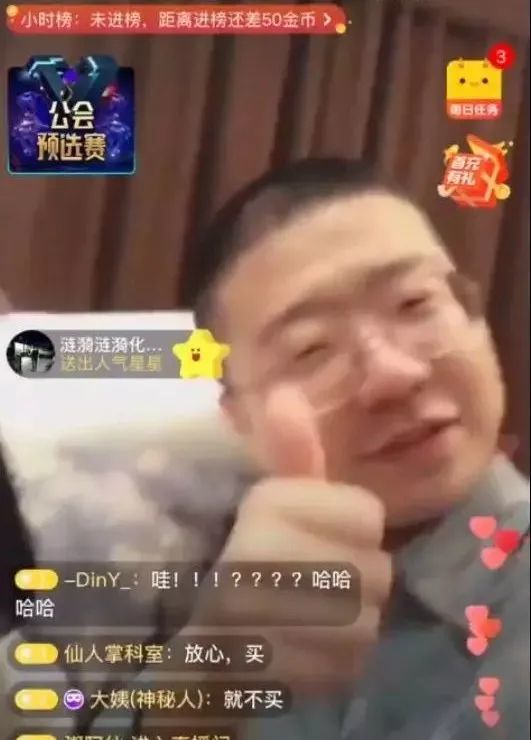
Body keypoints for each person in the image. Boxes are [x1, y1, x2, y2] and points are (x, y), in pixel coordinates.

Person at [177, 158, 529, 739]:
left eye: (414, 304)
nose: (393, 374)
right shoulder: (216, 585)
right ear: (241, 422)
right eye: (311, 349)